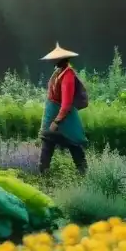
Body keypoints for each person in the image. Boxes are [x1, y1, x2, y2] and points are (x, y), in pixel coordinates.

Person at [39, 43, 88, 174]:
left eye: (54, 59)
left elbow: (66, 103)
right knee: (48, 142)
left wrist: (56, 122)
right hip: (53, 113)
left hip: (64, 116)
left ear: (61, 60)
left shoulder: (68, 76)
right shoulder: (58, 72)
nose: (52, 61)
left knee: (74, 144)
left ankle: (84, 174)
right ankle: (43, 173)